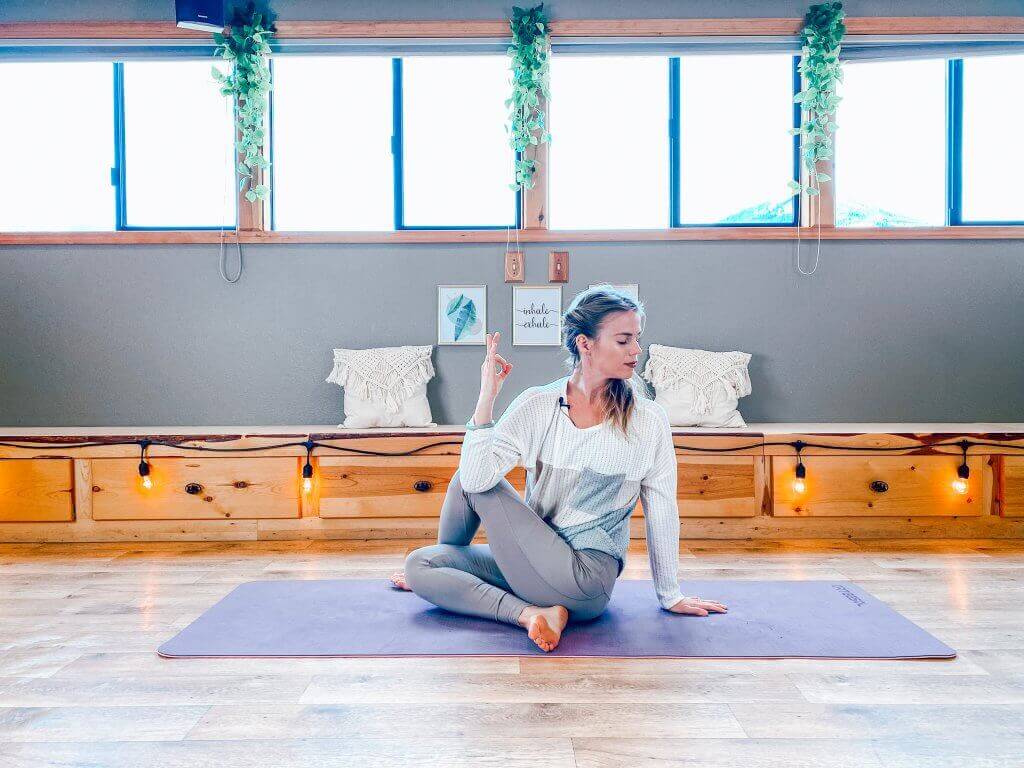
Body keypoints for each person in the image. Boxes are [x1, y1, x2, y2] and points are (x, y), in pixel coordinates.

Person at [390, 285, 727, 652]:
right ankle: (530, 613)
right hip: (533, 564)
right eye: (624, 340)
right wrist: (487, 396)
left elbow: (662, 507)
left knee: (473, 476)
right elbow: (474, 475)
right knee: (419, 564)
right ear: (586, 344)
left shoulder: (648, 420)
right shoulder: (538, 404)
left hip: (585, 579)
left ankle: (475, 587)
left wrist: (670, 593)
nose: (636, 350)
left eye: (637, 339)